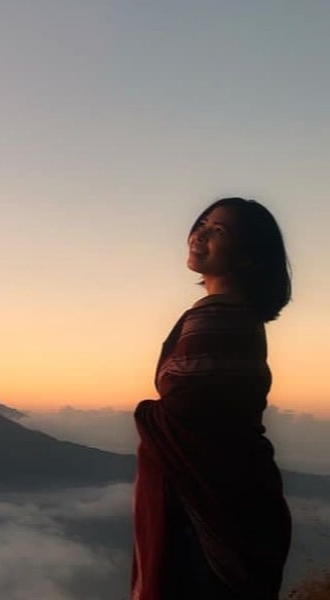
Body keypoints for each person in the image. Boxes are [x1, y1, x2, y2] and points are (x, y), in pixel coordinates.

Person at [131, 197, 292, 600]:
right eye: (202, 222)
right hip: (230, 497)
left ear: (248, 257)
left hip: (201, 514)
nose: (200, 231)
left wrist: (146, 415)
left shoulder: (219, 318)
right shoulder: (238, 316)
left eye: (219, 230)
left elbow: (188, 412)